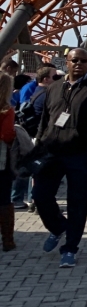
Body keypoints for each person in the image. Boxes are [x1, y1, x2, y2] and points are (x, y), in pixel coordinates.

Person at [34, 47, 87, 269]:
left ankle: (70, 248)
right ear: (66, 63)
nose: (79, 64)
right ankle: (59, 227)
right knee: (40, 195)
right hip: (52, 152)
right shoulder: (55, 88)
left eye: (83, 61)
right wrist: (39, 146)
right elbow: (45, 120)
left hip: (81, 154)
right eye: (74, 60)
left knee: (77, 203)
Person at [11, 64, 58, 210]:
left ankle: (27, 199)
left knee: (31, 167)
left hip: (32, 133)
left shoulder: (36, 91)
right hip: (39, 135)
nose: (58, 79)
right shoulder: (46, 95)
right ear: (46, 79)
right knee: (37, 169)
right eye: (55, 77)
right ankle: (34, 200)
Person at [0, 74, 16, 251]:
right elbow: (7, 134)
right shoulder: (6, 110)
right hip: (1, 158)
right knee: (4, 198)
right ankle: (7, 239)